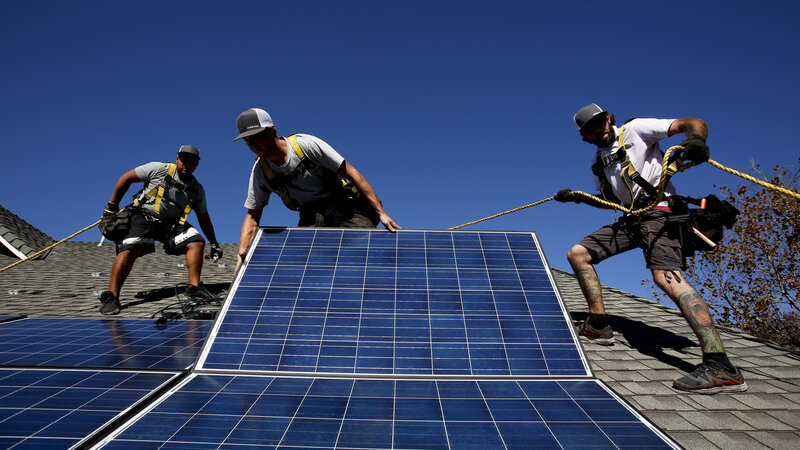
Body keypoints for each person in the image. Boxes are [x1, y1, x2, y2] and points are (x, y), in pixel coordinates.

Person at [554, 103, 747, 394]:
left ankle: (721, 365)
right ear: (585, 135)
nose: (596, 131)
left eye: (598, 124)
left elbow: (691, 122)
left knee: (665, 276)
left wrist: (696, 141)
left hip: (660, 214)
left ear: (608, 119)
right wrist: (579, 197)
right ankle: (598, 326)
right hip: (632, 219)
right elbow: (612, 201)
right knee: (578, 254)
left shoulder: (635, 130)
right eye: (589, 130)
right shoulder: (599, 163)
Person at [232, 108, 400, 272]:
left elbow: (353, 175)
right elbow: (253, 215)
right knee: (310, 267)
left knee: (361, 252)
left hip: (346, 206)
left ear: (270, 131)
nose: (252, 145)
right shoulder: (261, 172)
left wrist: (381, 212)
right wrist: (243, 249)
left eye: (254, 138)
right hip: (312, 215)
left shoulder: (305, 145)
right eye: (247, 141)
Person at [99, 145, 222, 315]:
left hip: (170, 225)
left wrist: (214, 243)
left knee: (197, 241)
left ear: (197, 164)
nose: (187, 164)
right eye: (184, 159)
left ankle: (193, 288)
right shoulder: (158, 169)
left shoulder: (196, 189)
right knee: (131, 248)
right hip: (143, 217)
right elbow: (126, 178)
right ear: (177, 158)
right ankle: (112, 296)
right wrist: (112, 206)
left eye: (192, 161)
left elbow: (204, 218)